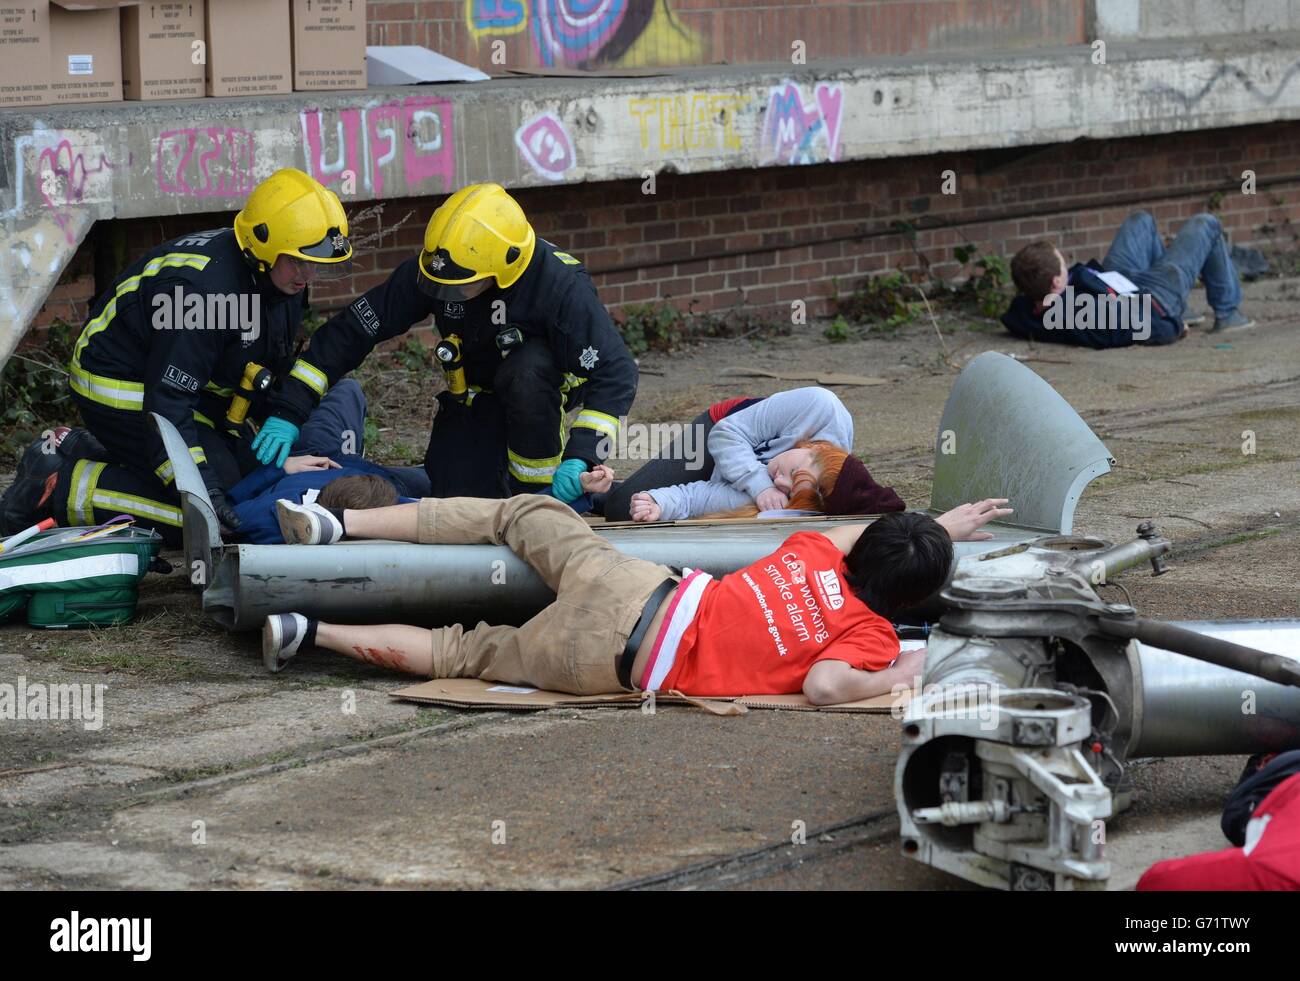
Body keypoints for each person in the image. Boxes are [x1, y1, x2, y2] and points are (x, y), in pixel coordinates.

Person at [260, 493, 1013, 702]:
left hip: (633, 584)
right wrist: (911, 669)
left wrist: (930, 526)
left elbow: (860, 535)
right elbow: (824, 685)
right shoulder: (871, 637)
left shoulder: (812, 548)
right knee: (466, 652)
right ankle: (306, 629)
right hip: (615, 660)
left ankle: (339, 523)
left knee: (518, 514)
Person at [0, 168, 360, 544]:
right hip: (117, 386)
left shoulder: (279, 281)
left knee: (244, 480)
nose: (309, 274)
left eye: (315, 262)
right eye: (300, 262)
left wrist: (272, 450)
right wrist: (208, 493)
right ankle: (63, 487)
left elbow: (261, 366)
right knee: (221, 517)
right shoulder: (203, 296)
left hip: (180, 385)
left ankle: (82, 447)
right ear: (264, 249)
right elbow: (167, 405)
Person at [254, 182, 637, 506]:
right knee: (457, 501)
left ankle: (538, 494)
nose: (446, 293)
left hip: (535, 392)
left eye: (460, 286)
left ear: (502, 269)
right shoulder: (444, 264)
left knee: (526, 374)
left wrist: (582, 454)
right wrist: (290, 410)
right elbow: (353, 330)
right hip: (472, 397)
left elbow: (616, 372)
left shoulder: (558, 286)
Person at [604, 387, 903, 522]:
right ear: (813, 448)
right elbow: (727, 434)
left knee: (624, 510)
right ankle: (595, 490)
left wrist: (662, 504)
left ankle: (605, 491)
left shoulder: (785, 498)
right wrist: (758, 482)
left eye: (792, 492)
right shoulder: (820, 406)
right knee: (619, 505)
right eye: (795, 474)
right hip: (721, 431)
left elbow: (700, 497)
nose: (782, 484)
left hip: (736, 477)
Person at [1002, 211, 1254, 350]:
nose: (1066, 261)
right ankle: (1227, 312)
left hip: (1116, 280)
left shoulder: (1027, 308)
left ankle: (1187, 310)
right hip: (1153, 299)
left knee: (1140, 221)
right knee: (1206, 224)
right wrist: (1175, 326)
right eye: (1062, 262)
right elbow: (1142, 327)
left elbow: (1016, 314)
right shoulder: (1086, 315)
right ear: (1057, 282)